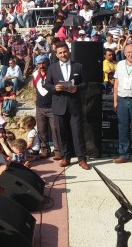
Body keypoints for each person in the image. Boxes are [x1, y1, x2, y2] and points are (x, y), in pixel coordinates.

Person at [43, 42, 90, 170]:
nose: (63, 54)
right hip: (59, 105)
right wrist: (54, 88)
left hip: (74, 105)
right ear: (57, 55)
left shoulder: (78, 66)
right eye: (60, 53)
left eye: (65, 51)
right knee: (62, 133)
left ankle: (82, 158)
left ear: (68, 51)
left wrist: (77, 88)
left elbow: (85, 83)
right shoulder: (52, 68)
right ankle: (65, 157)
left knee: (77, 132)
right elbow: (46, 84)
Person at [32, 54, 60, 160]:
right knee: (41, 130)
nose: (41, 65)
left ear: (47, 62)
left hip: (52, 106)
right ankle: (45, 150)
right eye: (39, 63)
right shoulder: (35, 74)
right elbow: (36, 87)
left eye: (43, 63)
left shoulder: (53, 73)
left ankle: (57, 151)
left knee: (55, 130)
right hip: (40, 106)